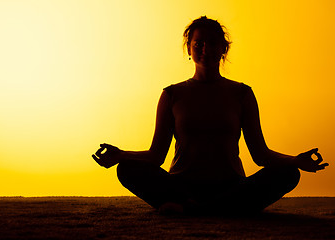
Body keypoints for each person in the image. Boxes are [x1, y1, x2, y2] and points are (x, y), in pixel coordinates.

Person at [92, 16, 328, 215]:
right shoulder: (172, 94)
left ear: (224, 48)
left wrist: (295, 161)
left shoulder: (242, 94)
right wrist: (121, 154)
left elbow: (261, 154)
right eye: (199, 44)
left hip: (231, 186)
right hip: (181, 186)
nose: (205, 49)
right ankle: (217, 210)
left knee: (288, 173)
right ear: (189, 48)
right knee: (126, 169)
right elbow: (156, 156)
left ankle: (195, 209)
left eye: (212, 43)